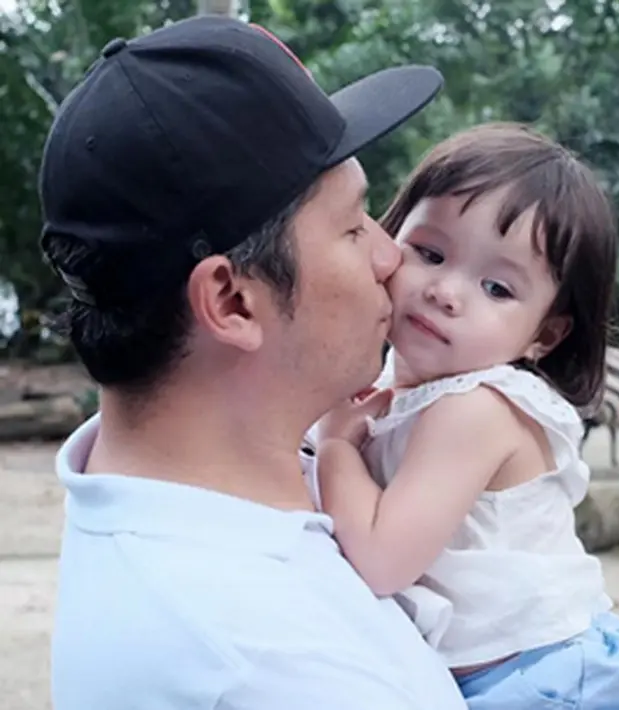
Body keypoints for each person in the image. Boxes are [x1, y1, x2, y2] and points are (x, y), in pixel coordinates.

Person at [39, 15, 468, 710]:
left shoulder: (193, 503)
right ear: (232, 301)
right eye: (354, 227)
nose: (391, 259)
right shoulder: (263, 661)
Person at [311, 122, 619, 709]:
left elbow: (380, 561)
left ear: (544, 335)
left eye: (497, 288)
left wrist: (335, 448)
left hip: (535, 680)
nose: (447, 291)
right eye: (428, 253)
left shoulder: (474, 407)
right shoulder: (390, 381)